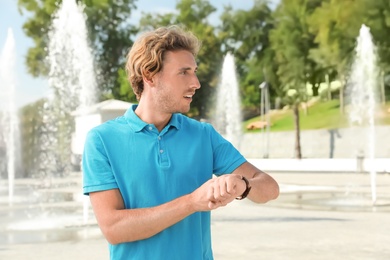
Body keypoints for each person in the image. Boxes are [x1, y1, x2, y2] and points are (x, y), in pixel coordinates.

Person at [82, 25, 279, 260]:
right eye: (184, 72)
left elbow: (269, 188)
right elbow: (114, 228)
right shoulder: (102, 140)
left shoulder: (203, 135)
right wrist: (191, 202)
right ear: (149, 75)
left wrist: (244, 185)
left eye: (194, 71)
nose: (196, 82)